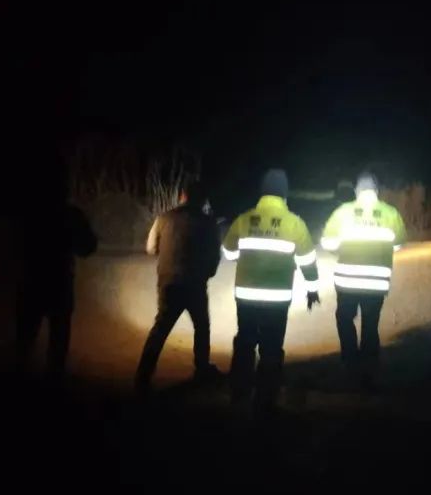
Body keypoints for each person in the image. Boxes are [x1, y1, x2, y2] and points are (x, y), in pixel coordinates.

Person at [222, 169, 320, 415]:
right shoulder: (294, 223)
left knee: (245, 342)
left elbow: (229, 253)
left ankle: (239, 393)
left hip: (246, 296)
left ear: (262, 193)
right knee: (272, 347)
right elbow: (308, 261)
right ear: (284, 195)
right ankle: (265, 400)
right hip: (277, 299)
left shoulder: (244, 219)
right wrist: (312, 290)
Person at [321, 172, 407, 390]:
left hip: (347, 280)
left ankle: (350, 362)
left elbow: (328, 243)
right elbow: (398, 245)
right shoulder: (391, 213)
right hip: (377, 281)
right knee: (370, 324)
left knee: (344, 318)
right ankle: (369, 369)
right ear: (376, 191)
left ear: (357, 191)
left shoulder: (343, 212)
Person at [135, 180, 222, 392]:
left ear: (183, 196)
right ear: (202, 200)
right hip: (195, 283)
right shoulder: (208, 223)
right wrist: (208, 272)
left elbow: (151, 248)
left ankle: (142, 375)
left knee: (160, 328)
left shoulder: (164, 218)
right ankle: (201, 368)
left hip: (169, 282)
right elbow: (214, 255)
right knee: (202, 326)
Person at [16, 192, 98, 382]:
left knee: (25, 341)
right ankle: (53, 384)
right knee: (58, 342)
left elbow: (13, 246)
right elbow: (88, 247)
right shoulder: (70, 215)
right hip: (59, 283)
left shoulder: (29, 214)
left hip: (31, 281)